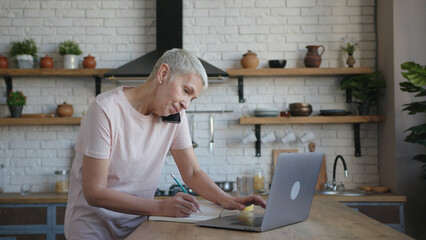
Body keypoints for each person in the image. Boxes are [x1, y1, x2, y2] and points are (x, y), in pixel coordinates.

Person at [64, 48, 266, 239]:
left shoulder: (176, 115)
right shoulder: (105, 109)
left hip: (139, 226)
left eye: (192, 99)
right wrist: (160, 207)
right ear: (163, 74)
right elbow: (94, 192)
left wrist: (227, 200)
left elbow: (192, 173)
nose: (186, 104)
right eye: (186, 90)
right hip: (93, 229)